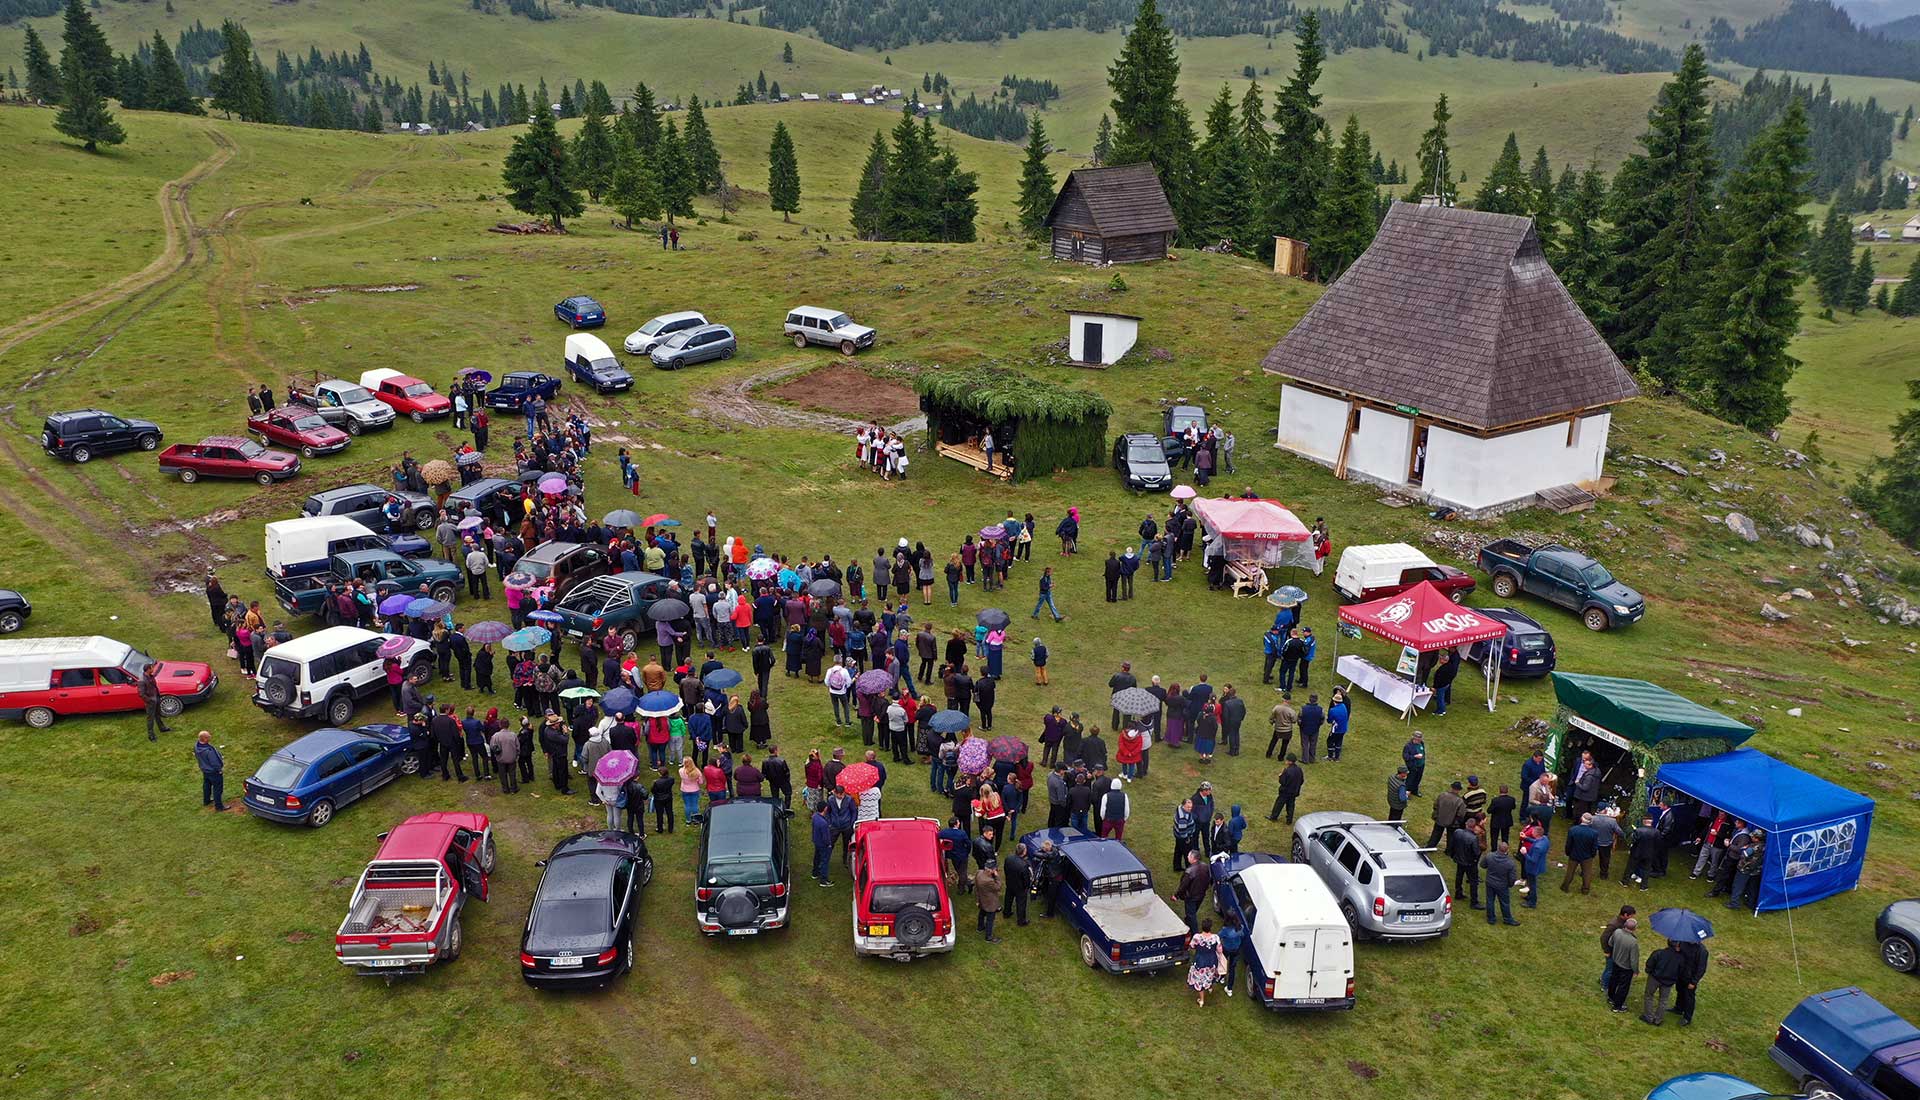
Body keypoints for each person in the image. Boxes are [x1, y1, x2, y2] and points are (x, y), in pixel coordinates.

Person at [1642, 939, 1683, 1026]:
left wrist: (1649, 971)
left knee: (1649, 996)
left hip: (1655, 978)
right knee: (1663, 1000)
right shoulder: (1680, 958)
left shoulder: (1659, 953)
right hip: (1668, 982)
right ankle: (1658, 1019)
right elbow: (1681, 971)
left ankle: (1648, 1017)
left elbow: (1649, 964)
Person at [1481, 841, 1520, 926]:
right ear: (1507, 850)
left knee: (1490, 900)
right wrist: (1510, 885)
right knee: (1504, 902)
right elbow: (1512, 878)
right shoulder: (1510, 863)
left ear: (1498, 848)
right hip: (1502, 885)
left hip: (1490, 882)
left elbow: (1482, 865)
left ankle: (1491, 918)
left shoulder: (1489, 856)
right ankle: (1507, 919)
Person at [1607, 918, 1640, 1012]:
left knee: (1613, 980)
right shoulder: (1633, 942)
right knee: (1623, 987)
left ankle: (1611, 997)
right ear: (1634, 928)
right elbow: (1634, 959)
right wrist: (1635, 970)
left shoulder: (1617, 932)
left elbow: (1610, 943)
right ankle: (1617, 1006)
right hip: (1626, 967)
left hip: (1615, 961)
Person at [1187, 919, 1222, 1007]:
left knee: (1200, 980)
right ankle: (1210, 987)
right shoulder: (1215, 937)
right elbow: (1219, 950)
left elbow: (1192, 946)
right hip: (1212, 960)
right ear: (1210, 927)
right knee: (1211, 975)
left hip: (1200, 960)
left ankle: (1201, 1000)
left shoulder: (1197, 937)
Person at [1674, 936, 1708, 1025]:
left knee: (1689, 997)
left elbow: (1701, 969)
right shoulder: (1684, 943)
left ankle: (1687, 1017)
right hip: (1681, 974)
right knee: (1679, 990)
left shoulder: (1702, 951)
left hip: (1690, 978)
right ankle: (1678, 1008)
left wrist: (1694, 982)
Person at [1174, 850, 1210, 933]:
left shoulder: (1189, 871)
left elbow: (1183, 886)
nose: (1187, 857)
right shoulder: (1205, 866)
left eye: (1189, 856)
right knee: (1192, 912)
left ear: (1193, 858)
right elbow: (1209, 879)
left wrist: (1176, 895)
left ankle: (1195, 933)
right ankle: (1188, 921)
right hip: (1201, 895)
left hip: (1191, 896)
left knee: (1191, 915)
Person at [1563, 814, 1599, 895]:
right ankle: (1585, 890)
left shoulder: (1573, 830)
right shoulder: (1594, 833)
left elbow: (1569, 844)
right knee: (1587, 873)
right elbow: (1594, 847)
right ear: (1590, 822)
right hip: (1587, 856)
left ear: (1581, 819)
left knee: (1570, 872)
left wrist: (1568, 852)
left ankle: (1565, 886)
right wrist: (1592, 855)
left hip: (1574, 854)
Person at [973, 857, 1004, 943]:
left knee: (982, 913)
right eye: (994, 869)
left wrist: (977, 899)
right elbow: (998, 887)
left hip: (982, 899)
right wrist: (997, 877)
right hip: (990, 903)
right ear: (990, 870)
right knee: (990, 920)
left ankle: (980, 927)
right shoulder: (989, 881)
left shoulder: (979, 873)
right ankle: (988, 937)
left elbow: (976, 886)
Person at [194, 732, 225, 810]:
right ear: (204, 739)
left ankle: (206, 800)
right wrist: (219, 770)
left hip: (205, 770)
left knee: (207, 785)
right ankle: (219, 806)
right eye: (208, 737)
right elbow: (214, 763)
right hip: (213, 772)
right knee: (217, 788)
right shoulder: (209, 751)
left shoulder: (197, 746)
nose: (210, 737)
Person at [1003, 843, 1032, 926]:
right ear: (1024, 852)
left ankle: (1006, 913)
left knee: (1008, 898)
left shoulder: (1008, 858)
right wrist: (1027, 886)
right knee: (1021, 904)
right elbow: (1026, 879)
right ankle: (1021, 921)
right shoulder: (1024, 865)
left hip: (1010, 883)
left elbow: (1005, 869)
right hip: (1020, 887)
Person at [1270, 754, 1304, 824]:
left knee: (1279, 804)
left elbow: (1283, 782)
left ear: (1290, 762)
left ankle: (1273, 817)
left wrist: (1281, 775)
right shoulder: (1299, 769)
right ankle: (1289, 820)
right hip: (1294, 791)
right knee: (1291, 805)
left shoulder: (1287, 771)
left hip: (1285, 792)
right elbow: (1302, 780)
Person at [140, 664, 171, 740]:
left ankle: (162, 728)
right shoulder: (142, 680)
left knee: (158, 714)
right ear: (148, 669)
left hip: (156, 698)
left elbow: (156, 673)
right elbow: (141, 694)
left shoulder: (150, 676)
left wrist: (160, 666)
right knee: (150, 719)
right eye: (152, 668)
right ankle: (151, 735)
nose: (153, 669)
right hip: (151, 702)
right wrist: (149, 701)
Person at [490, 721, 520, 794]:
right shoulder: (513, 735)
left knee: (502, 775)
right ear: (508, 725)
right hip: (511, 758)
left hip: (501, 758)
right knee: (512, 773)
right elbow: (518, 747)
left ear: (500, 725)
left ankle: (505, 789)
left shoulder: (495, 736)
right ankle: (513, 788)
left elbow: (492, 746)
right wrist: (516, 755)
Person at [1296, 693, 1324, 764]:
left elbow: (1299, 719)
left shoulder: (1303, 708)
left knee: (1305, 744)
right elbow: (1322, 720)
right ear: (1316, 700)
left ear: (1309, 699)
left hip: (1304, 729)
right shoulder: (1320, 710)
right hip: (1315, 729)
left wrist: (1300, 725)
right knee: (1313, 744)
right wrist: (1318, 725)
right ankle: (1312, 759)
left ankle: (1305, 759)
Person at [810, 803, 834, 887]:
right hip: (823, 844)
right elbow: (826, 837)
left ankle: (815, 873)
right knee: (824, 861)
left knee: (817, 857)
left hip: (816, 841)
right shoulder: (823, 823)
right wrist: (829, 844)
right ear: (825, 809)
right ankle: (823, 880)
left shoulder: (815, 816)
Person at [1429, 649, 1459, 716]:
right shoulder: (1450, 667)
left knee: (1440, 698)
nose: (1440, 660)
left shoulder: (1443, 669)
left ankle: (1440, 711)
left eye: (1441, 659)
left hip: (1441, 685)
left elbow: (1438, 679)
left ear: (1445, 660)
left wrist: (1435, 687)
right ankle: (1441, 710)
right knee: (1441, 697)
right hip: (1446, 684)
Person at [1266, 693, 1295, 760]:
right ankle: (1281, 757)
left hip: (1278, 729)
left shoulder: (1277, 708)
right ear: (1289, 700)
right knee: (1285, 744)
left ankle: (1268, 754)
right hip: (1287, 730)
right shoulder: (1291, 711)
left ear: (1283, 699)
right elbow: (1294, 720)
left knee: (1273, 741)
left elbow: (1272, 717)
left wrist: (1272, 721)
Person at [1402, 732, 1426, 797]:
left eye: (1419, 739)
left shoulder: (1421, 743)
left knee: (1418, 778)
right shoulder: (1408, 746)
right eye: (1417, 739)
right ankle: (1406, 793)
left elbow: (1423, 751)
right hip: (1412, 766)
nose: (1418, 741)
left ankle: (1414, 791)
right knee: (1410, 779)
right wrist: (1415, 756)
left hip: (1421, 765)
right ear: (1413, 738)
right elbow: (1406, 757)